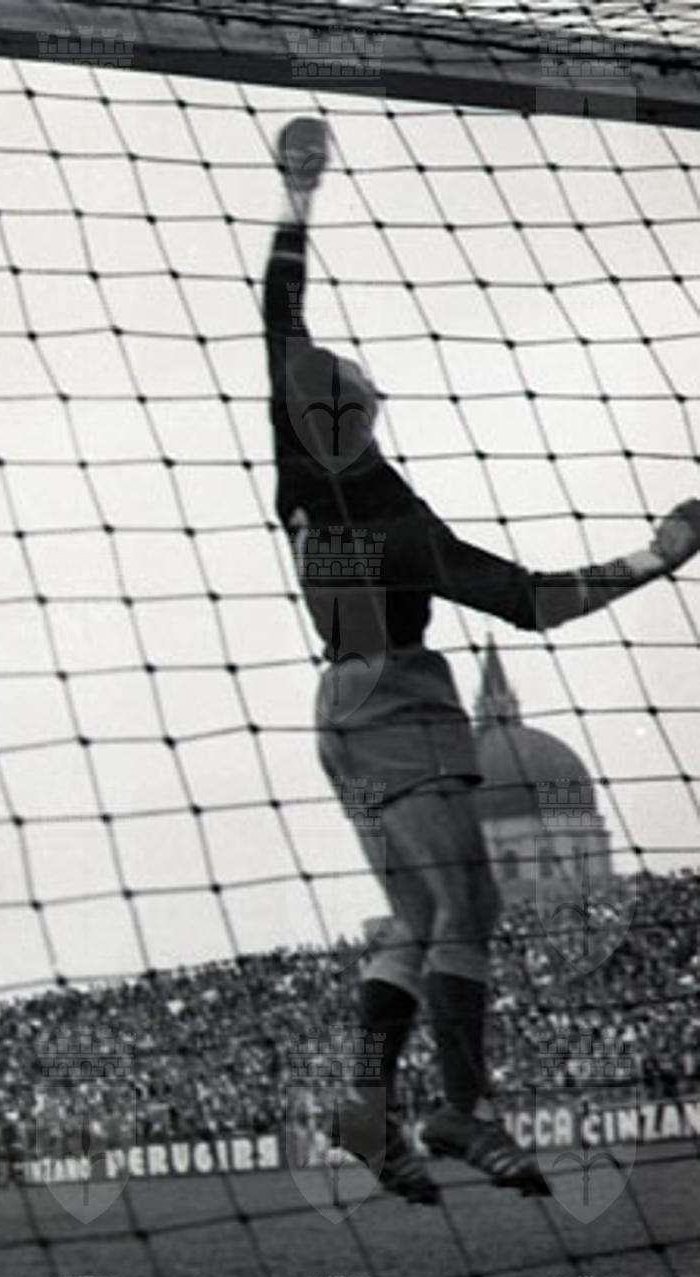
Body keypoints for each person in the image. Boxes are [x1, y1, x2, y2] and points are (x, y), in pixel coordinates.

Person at [265, 116, 700, 1199]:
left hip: (341, 701)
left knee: (420, 921)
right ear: (363, 415)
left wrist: (298, 195)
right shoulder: (401, 525)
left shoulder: (300, 473)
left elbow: (278, 313)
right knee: (470, 907)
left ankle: (368, 1105)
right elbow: (533, 603)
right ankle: (464, 1107)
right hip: (399, 702)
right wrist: (656, 556)